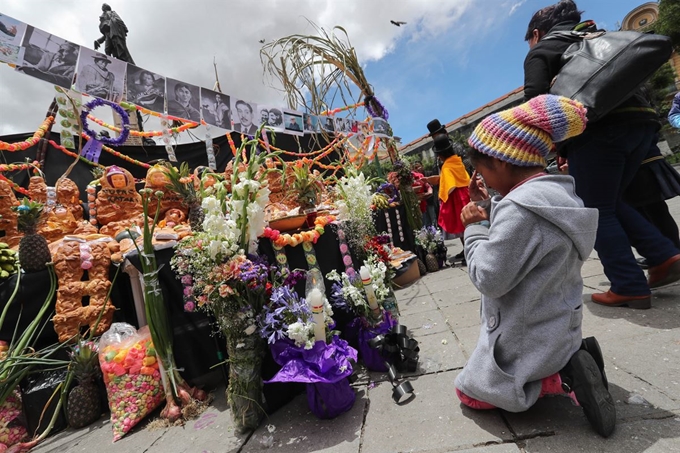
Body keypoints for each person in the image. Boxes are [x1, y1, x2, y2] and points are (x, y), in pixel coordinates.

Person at [456, 94, 615, 438]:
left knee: (469, 393)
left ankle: (559, 380)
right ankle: (575, 355)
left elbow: (489, 278)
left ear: (501, 162)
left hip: (531, 338)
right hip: (560, 325)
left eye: (483, 171)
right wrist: (488, 203)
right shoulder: (560, 196)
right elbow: (523, 233)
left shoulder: (520, 210)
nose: (482, 179)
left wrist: (473, 229)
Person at [523, 0, 680, 308]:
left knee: (592, 210)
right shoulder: (595, 36)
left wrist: (541, 148)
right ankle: (664, 255)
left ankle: (628, 284)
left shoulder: (542, 50)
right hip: (642, 123)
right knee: (610, 202)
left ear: (536, 33)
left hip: (598, 130)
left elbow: (536, 104)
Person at [434, 136, 470, 264]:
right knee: (468, 225)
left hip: (456, 197)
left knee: (462, 226)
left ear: (440, 155)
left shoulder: (447, 166)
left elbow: (451, 186)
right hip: (466, 193)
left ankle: (469, 253)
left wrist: (444, 197)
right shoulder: (457, 161)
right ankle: (469, 251)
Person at [413, 161, 437, 227]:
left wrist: (429, 192)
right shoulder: (411, 178)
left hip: (430, 200)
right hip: (420, 203)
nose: (418, 168)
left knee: (433, 218)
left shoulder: (428, 174)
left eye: (419, 166)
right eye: (416, 167)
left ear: (422, 166)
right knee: (425, 221)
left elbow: (431, 186)